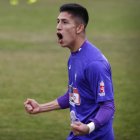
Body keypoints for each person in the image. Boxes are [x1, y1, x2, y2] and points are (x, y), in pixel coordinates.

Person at [24, 3, 115, 140]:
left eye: (65, 22)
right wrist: (41, 108)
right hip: (78, 135)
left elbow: (108, 106)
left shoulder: (95, 64)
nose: (58, 26)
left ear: (79, 28)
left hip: (95, 137)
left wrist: (89, 127)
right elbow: (73, 95)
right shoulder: (74, 57)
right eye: (58, 21)